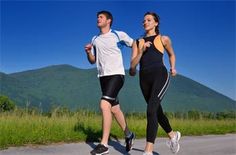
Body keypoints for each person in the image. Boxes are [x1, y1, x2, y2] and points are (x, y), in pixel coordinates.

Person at [129, 12, 181, 155]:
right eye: (144, 20)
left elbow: (171, 54)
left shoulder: (163, 39)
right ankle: (173, 135)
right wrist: (141, 51)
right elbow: (132, 66)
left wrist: (173, 67)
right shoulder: (137, 42)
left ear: (156, 23)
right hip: (144, 78)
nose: (145, 22)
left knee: (151, 110)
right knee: (156, 111)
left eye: (149, 20)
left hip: (160, 75)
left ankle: (148, 150)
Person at [84, 10, 135, 155]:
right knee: (114, 109)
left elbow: (135, 44)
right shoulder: (94, 39)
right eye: (97, 17)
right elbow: (93, 61)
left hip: (117, 75)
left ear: (109, 21)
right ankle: (128, 134)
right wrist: (88, 52)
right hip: (103, 77)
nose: (98, 19)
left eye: (101, 17)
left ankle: (104, 144)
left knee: (104, 104)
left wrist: (134, 63)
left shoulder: (118, 35)